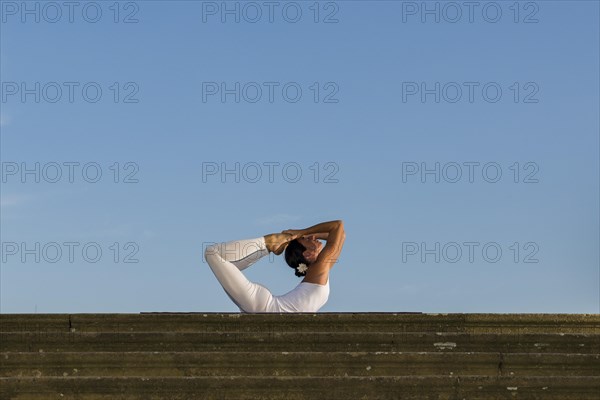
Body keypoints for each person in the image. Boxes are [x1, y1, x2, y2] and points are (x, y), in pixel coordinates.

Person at [204, 220, 345, 313]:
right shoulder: (318, 269)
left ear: (308, 254)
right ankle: (267, 243)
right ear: (307, 254)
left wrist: (301, 233)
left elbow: (339, 232)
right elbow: (337, 229)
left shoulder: (319, 269)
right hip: (262, 306)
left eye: (308, 238)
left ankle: (267, 247)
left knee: (220, 259)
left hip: (262, 306)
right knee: (214, 254)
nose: (313, 238)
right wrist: (300, 235)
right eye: (308, 239)